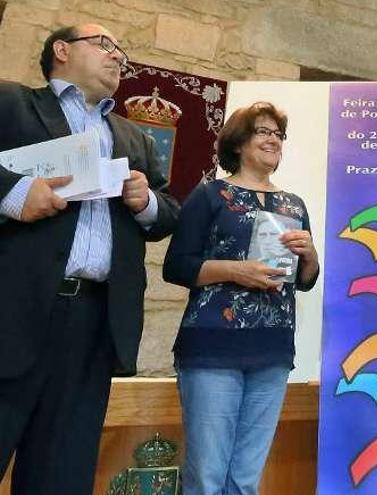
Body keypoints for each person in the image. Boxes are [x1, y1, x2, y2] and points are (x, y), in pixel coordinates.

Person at [0, 24, 180, 494]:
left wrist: (147, 203)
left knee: (62, 474)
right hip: (13, 312)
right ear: (61, 50)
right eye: (105, 45)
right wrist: (13, 193)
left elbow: (167, 213)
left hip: (94, 324)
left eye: (122, 52)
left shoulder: (133, 137)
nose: (117, 58)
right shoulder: (11, 103)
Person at [163, 101, 320, 495]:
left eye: (278, 134)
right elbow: (177, 267)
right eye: (263, 132)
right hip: (213, 345)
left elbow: (304, 281)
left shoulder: (294, 204)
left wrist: (311, 256)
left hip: (272, 349)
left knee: (246, 479)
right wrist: (236, 271)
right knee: (207, 475)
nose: (273, 140)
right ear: (237, 142)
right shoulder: (210, 194)